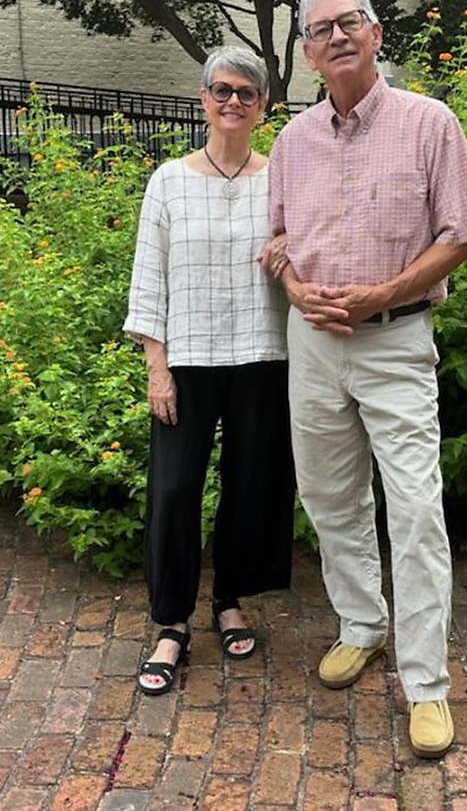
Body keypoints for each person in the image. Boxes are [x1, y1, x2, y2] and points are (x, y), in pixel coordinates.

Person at [267, 0, 467, 757]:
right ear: (306, 52)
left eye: (350, 22)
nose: (336, 36)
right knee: (329, 495)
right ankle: (362, 625)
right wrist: (299, 290)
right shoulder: (292, 142)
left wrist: (381, 297)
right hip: (314, 345)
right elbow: (278, 244)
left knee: (416, 508)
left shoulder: (430, 123)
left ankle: (426, 682)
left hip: (395, 339)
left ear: (374, 35)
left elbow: (465, 232)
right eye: (321, 28)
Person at [124, 46, 295, 696]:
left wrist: (289, 246)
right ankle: (171, 622)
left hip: (261, 353)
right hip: (187, 358)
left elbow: (311, 246)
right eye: (221, 90)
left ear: (261, 107)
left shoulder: (280, 177)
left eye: (245, 93)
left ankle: (229, 599)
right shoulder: (169, 180)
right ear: (203, 99)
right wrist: (155, 365)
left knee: (251, 485)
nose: (232, 102)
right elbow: (149, 277)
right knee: (172, 492)